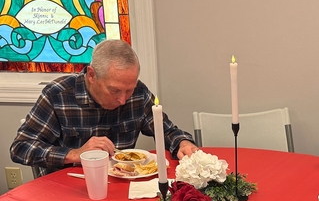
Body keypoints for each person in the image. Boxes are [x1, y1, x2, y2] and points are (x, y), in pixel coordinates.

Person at [10, 39, 199, 177]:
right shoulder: (58, 95)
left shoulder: (139, 93)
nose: (123, 100)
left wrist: (182, 143)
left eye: (129, 90)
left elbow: (167, 131)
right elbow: (20, 148)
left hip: (121, 185)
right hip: (68, 187)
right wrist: (75, 154)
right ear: (92, 75)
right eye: (114, 90)